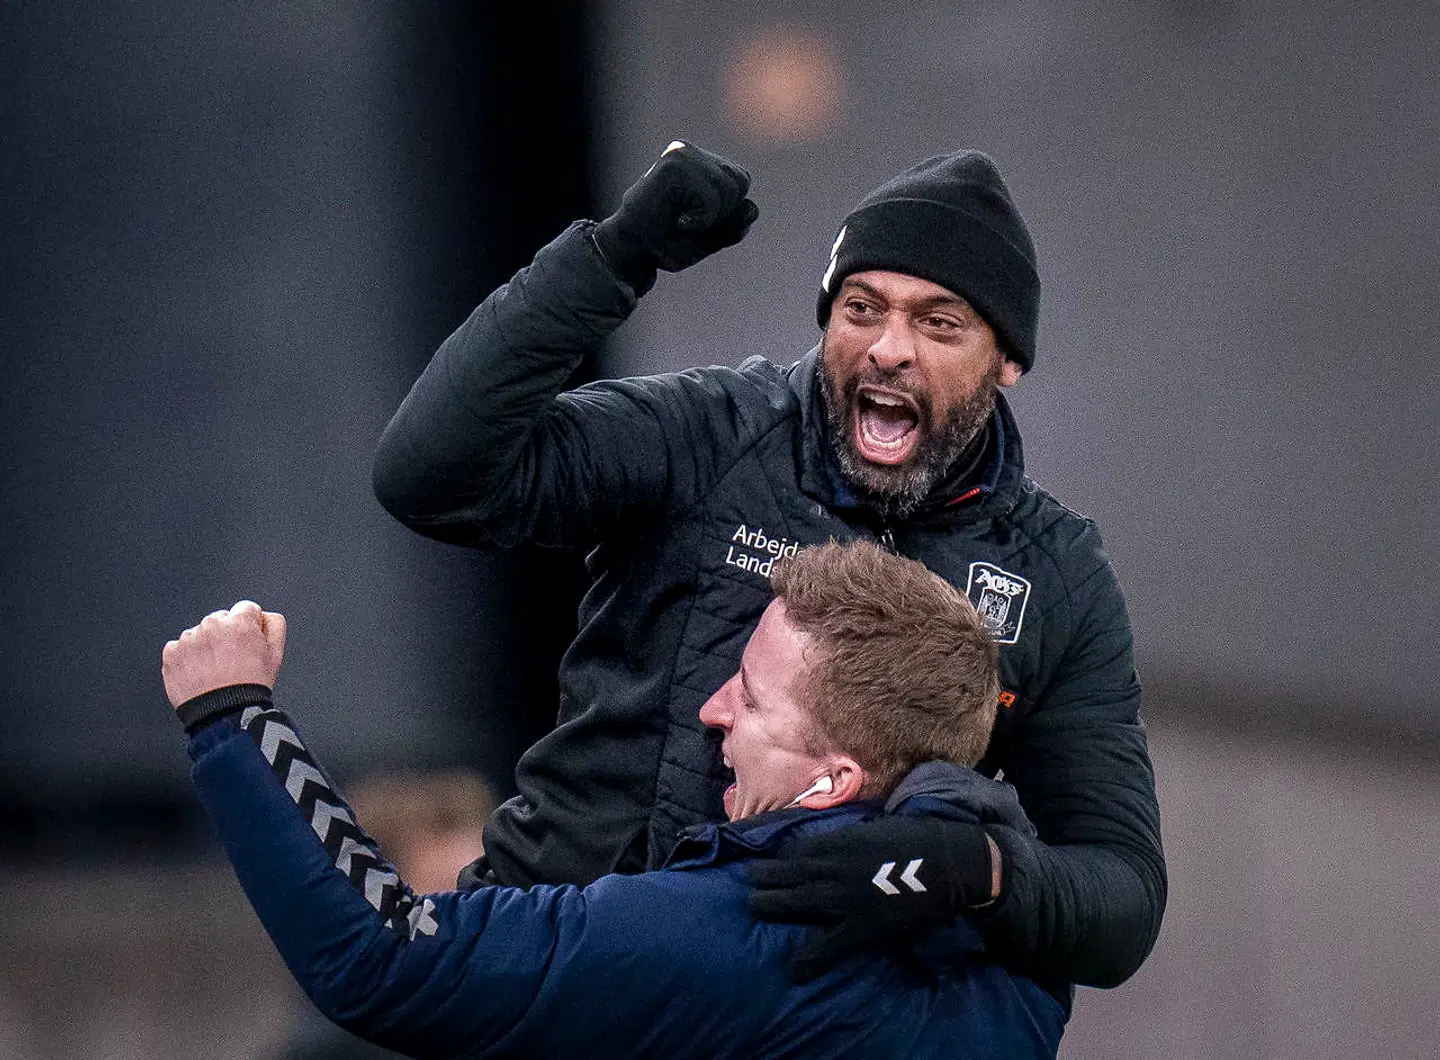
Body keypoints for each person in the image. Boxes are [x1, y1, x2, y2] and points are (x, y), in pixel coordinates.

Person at [372, 141, 1166, 989]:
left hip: (787, 1010)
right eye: (862, 308)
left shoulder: (1056, 574)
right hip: (553, 965)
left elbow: (1121, 902)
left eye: (938, 323)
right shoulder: (711, 433)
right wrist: (609, 257)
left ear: (1006, 361)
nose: (889, 349)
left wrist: (971, 868)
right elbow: (428, 478)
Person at [163, 542, 1067, 1059]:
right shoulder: (1025, 957)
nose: (712, 711)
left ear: (832, 782)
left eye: (748, 699)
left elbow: (384, 960)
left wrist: (232, 716)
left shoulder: (727, 933)